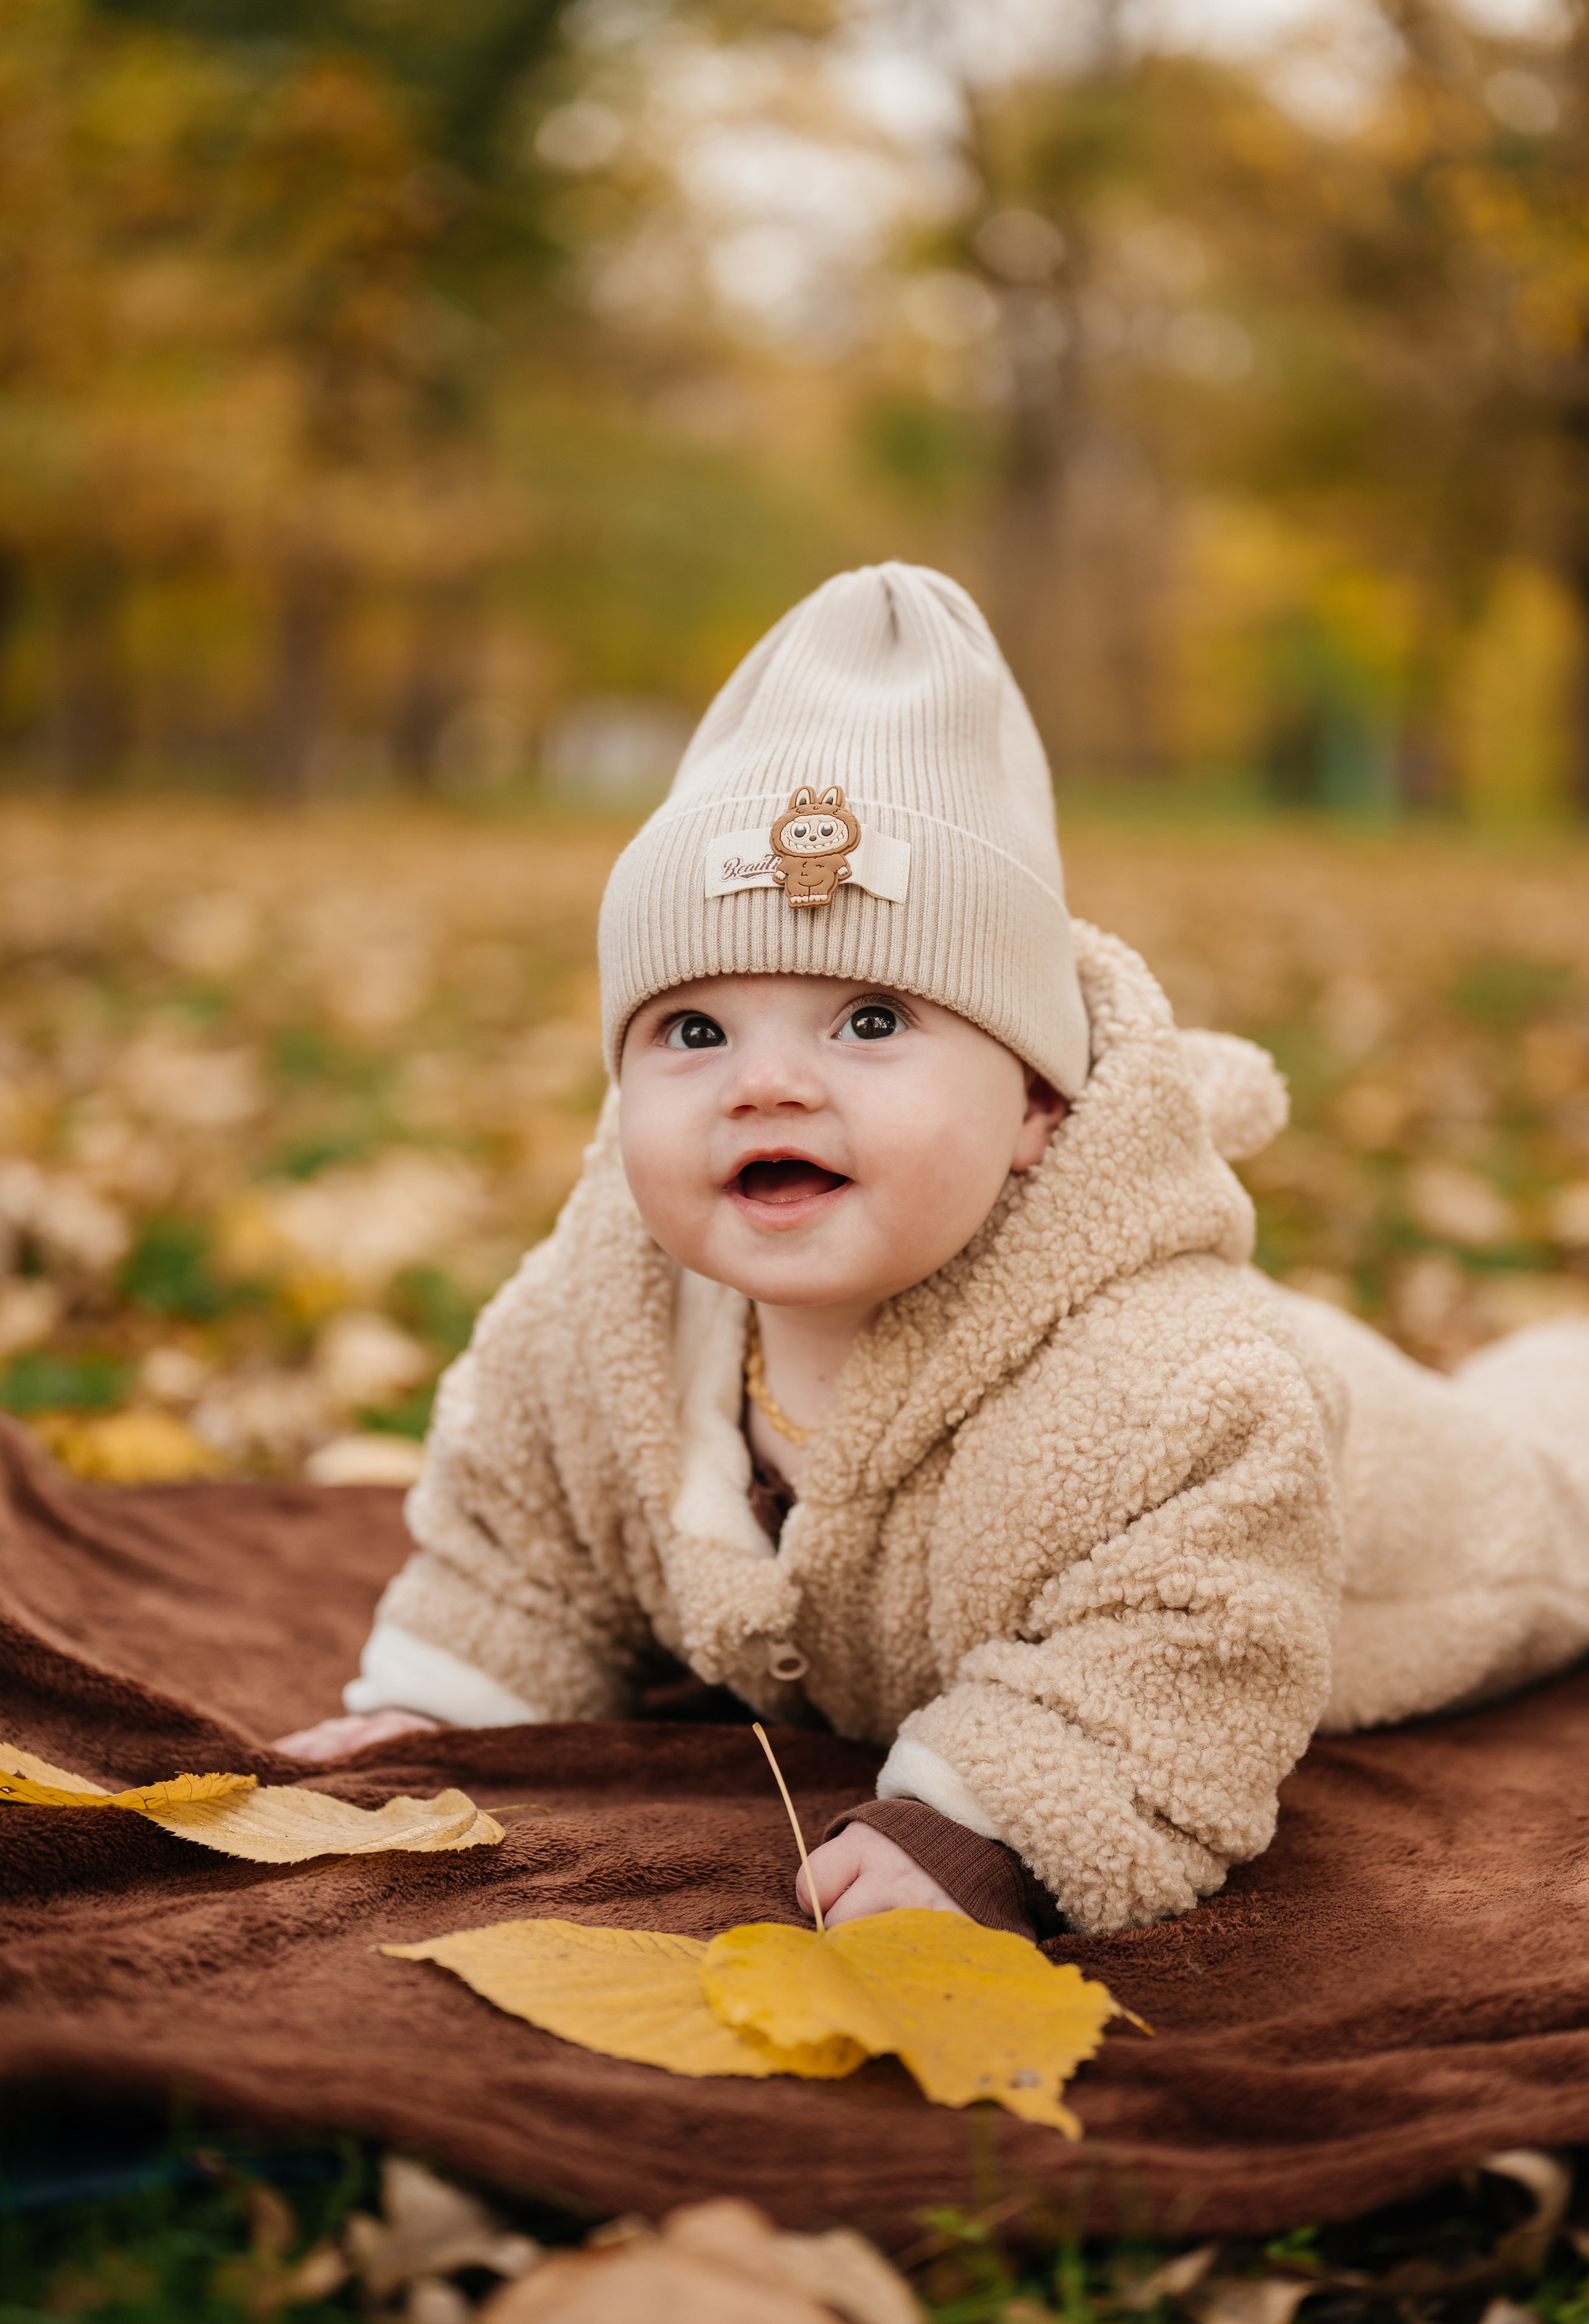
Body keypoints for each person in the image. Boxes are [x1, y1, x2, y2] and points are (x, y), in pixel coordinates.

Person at [276, 563, 1589, 1940]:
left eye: (868, 1021)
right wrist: (440, 1706)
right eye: (695, 1031)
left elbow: (1191, 1642)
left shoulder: (1178, 1391)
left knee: (1555, 1465)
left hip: (1434, 1520)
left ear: (1033, 1102)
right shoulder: (595, 1318)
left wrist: (989, 1818)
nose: (765, 1085)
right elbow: (522, 1537)